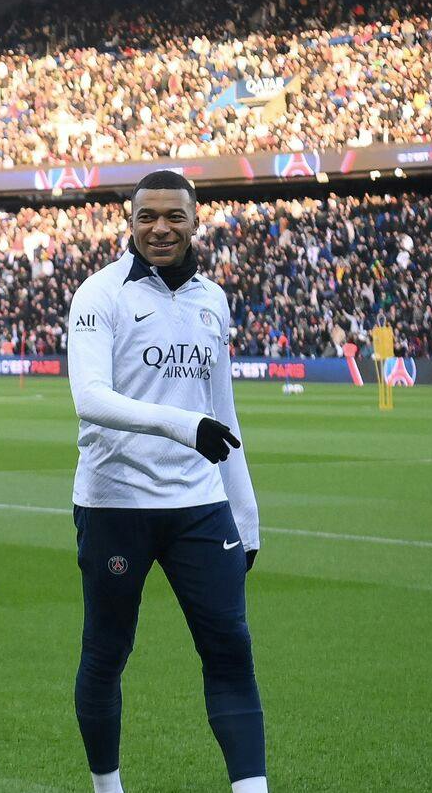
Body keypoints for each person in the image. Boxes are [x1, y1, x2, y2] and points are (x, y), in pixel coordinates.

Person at [64, 169, 265, 793]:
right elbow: (89, 398)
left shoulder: (212, 299)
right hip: (115, 502)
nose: (160, 228)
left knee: (230, 648)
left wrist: (247, 514)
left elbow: (223, 413)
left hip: (199, 507)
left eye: (173, 216)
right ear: (129, 222)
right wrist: (183, 426)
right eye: (147, 216)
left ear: (194, 221)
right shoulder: (100, 295)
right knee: (108, 650)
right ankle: (108, 787)